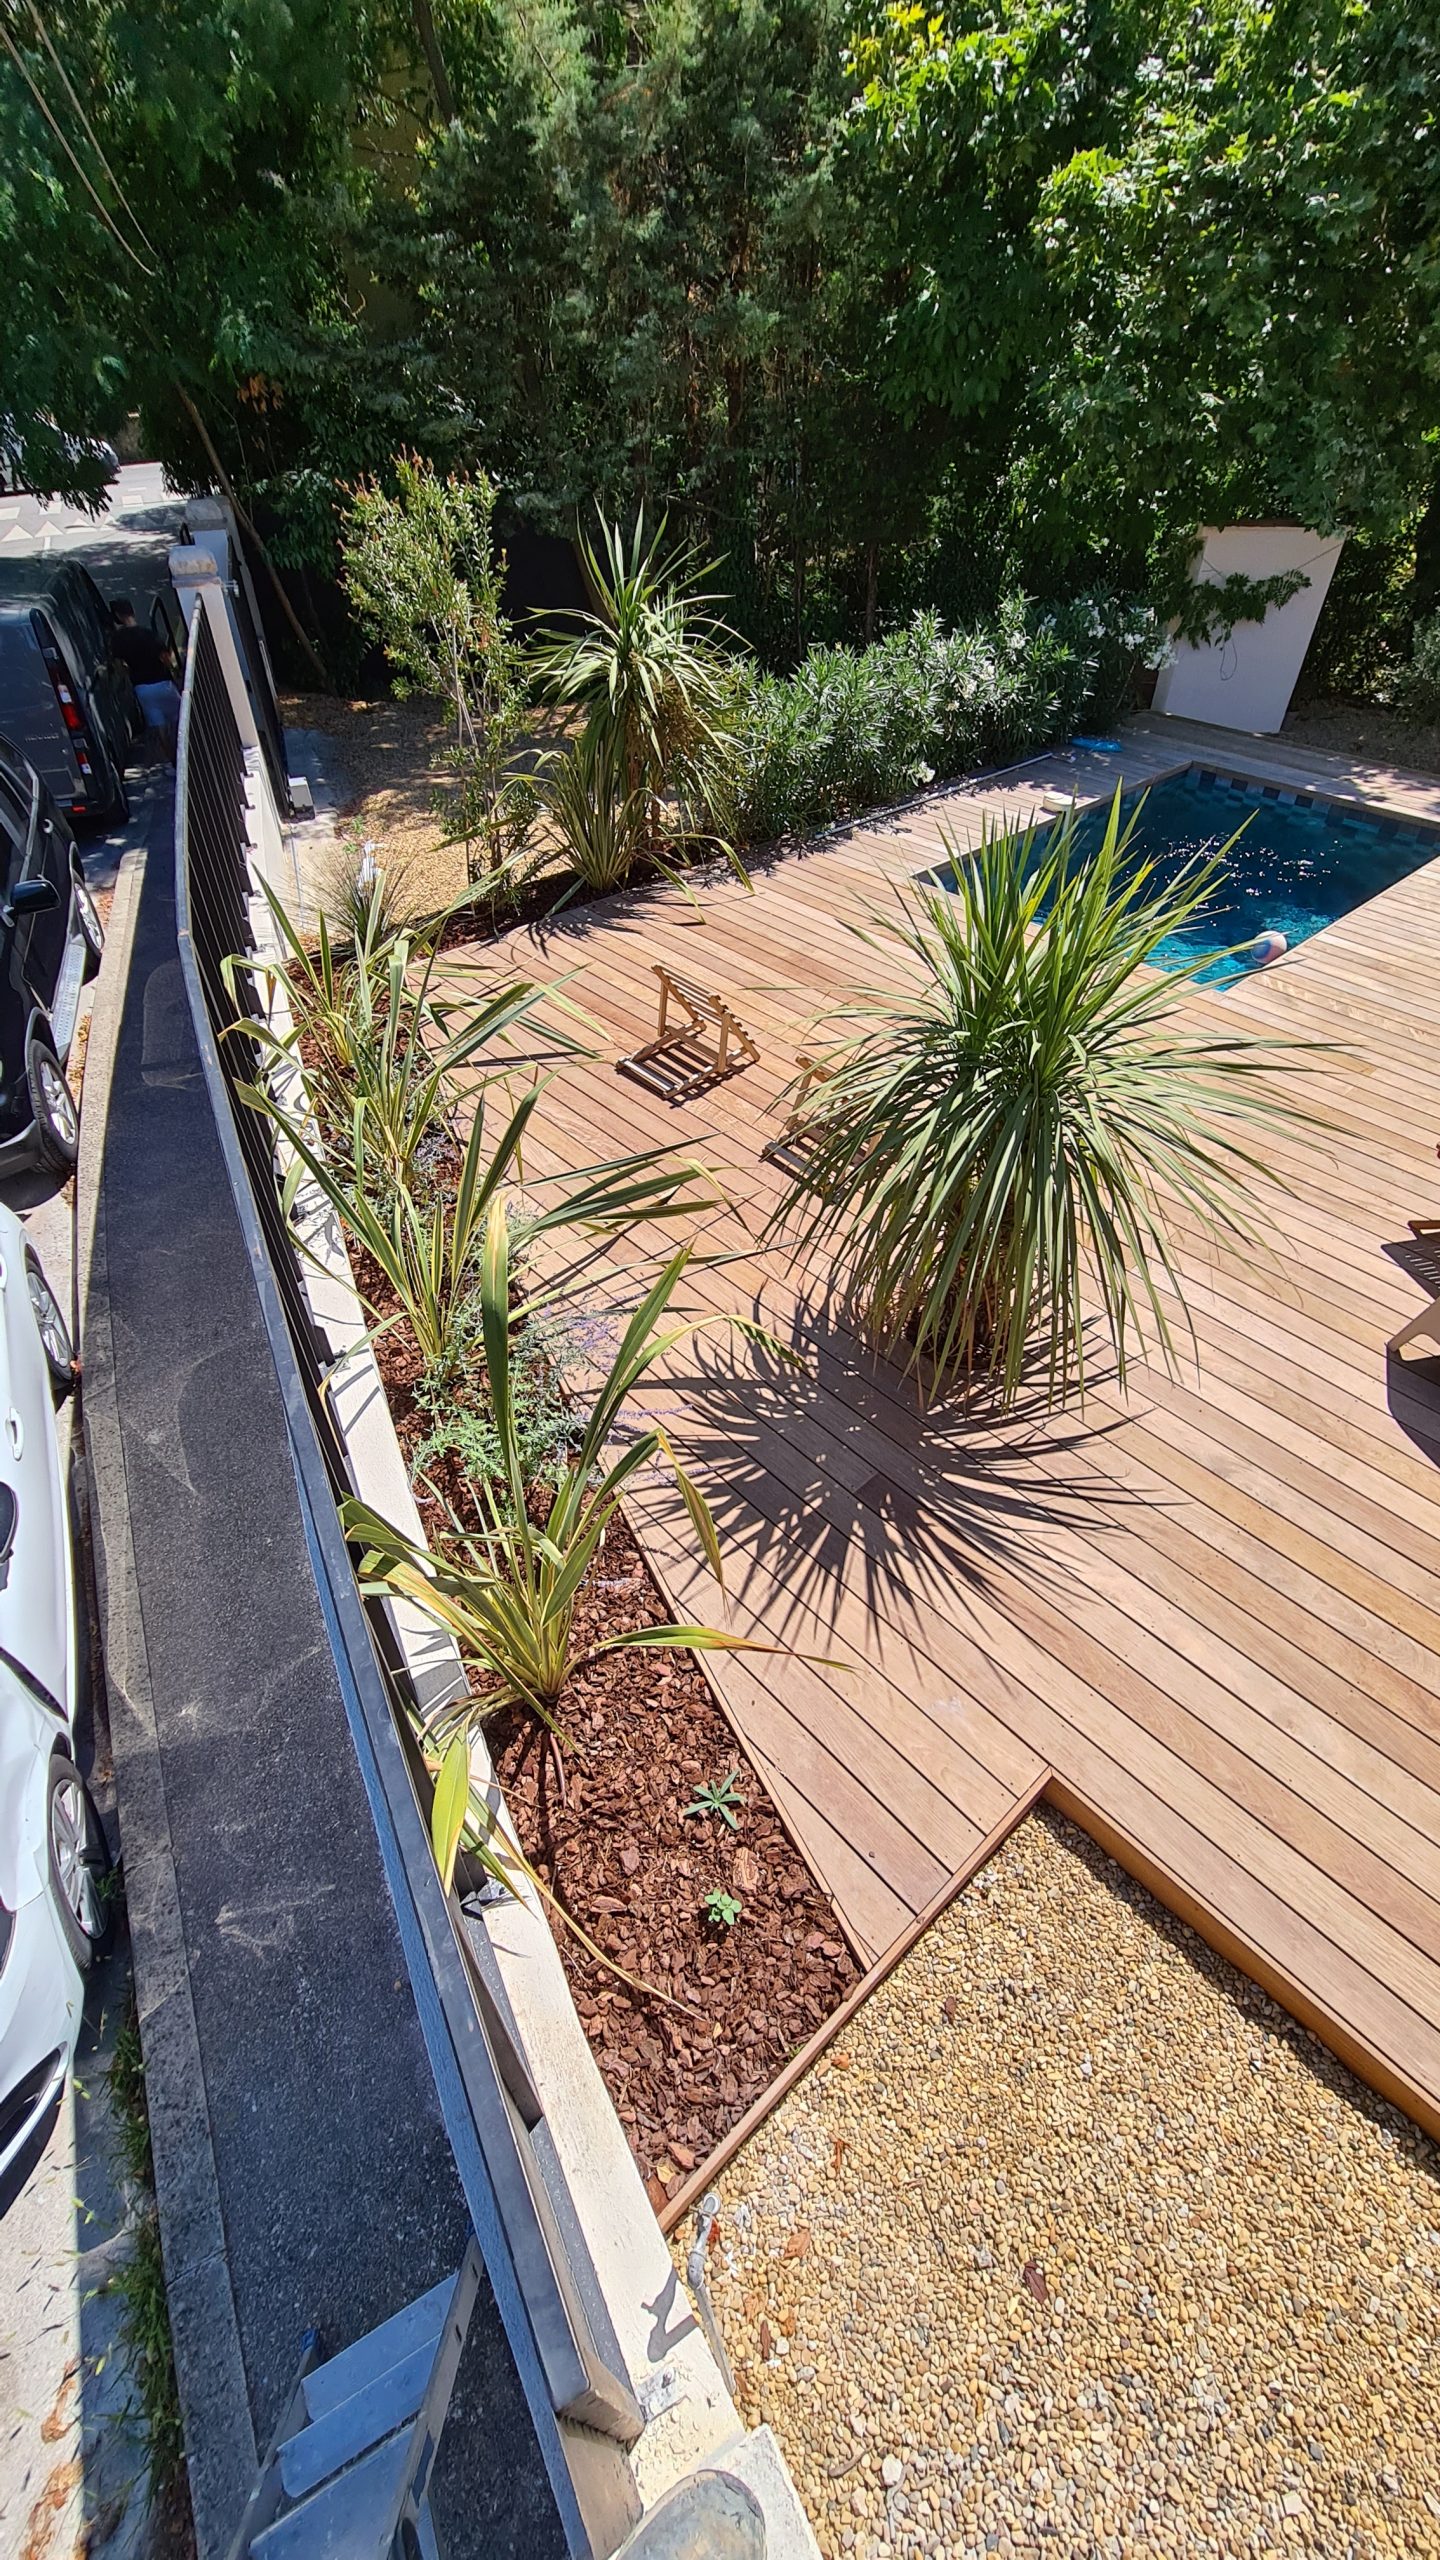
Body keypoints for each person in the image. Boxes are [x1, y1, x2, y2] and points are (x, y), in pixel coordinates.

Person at [109, 598, 181, 763]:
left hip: (143, 689)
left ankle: (173, 761)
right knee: (179, 718)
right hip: (163, 683)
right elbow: (165, 656)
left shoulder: (118, 640)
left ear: (118, 616)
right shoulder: (148, 634)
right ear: (132, 612)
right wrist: (174, 671)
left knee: (160, 728)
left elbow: (120, 666)